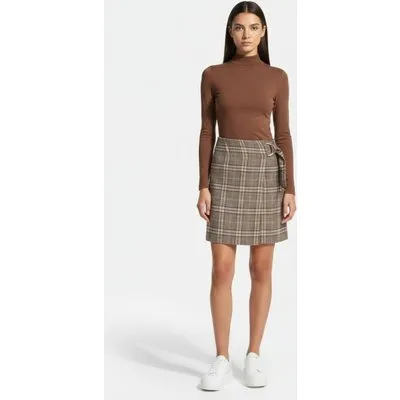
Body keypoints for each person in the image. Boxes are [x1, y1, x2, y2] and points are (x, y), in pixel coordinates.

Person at [196, 1, 297, 391]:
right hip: (225, 170)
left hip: (265, 173)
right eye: (239, 27)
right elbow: (207, 131)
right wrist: (203, 184)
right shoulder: (213, 75)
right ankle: (222, 357)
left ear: (264, 32)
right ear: (230, 32)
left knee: (261, 268)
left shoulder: (277, 77)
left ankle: (253, 354)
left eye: (254, 27)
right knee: (222, 269)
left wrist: (290, 188)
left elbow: (283, 134)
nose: (246, 35)